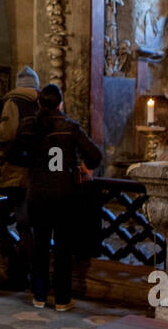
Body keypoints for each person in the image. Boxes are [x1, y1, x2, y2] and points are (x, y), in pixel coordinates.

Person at [11, 83, 101, 311]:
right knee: (63, 249)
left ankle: (39, 295)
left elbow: (13, 155)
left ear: (39, 103)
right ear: (61, 103)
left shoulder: (30, 125)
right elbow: (95, 155)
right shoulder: (70, 127)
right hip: (64, 195)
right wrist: (85, 166)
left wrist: (33, 164)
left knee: (40, 245)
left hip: (38, 193)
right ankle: (62, 299)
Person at [0, 66, 40, 291]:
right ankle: (30, 273)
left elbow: (6, 134)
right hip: (33, 174)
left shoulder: (13, 101)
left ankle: (14, 272)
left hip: (8, 173)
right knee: (26, 227)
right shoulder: (41, 102)